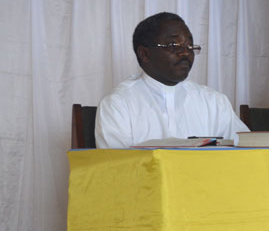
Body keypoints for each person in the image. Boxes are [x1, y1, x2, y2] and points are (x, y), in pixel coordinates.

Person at [95, 12, 248, 148]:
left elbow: (247, 150)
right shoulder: (118, 104)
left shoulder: (214, 102)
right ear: (144, 54)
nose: (185, 53)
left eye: (189, 46)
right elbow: (116, 168)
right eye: (174, 45)